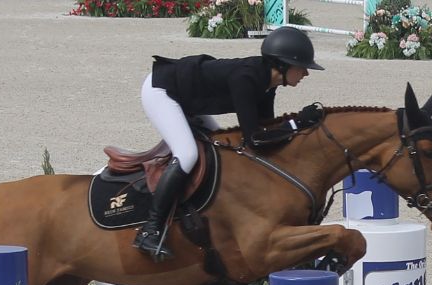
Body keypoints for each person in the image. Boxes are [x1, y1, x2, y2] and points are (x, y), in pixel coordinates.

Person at [133, 26, 324, 261]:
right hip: (163, 91)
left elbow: (266, 132)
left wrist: (298, 125)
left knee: (221, 151)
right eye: (302, 67)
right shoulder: (246, 78)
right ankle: (150, 229)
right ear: (283, 64)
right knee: (188, 153)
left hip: (190, 100)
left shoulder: (267, 85)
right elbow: (254, 139)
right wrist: (296, 124)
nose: (306, 73)